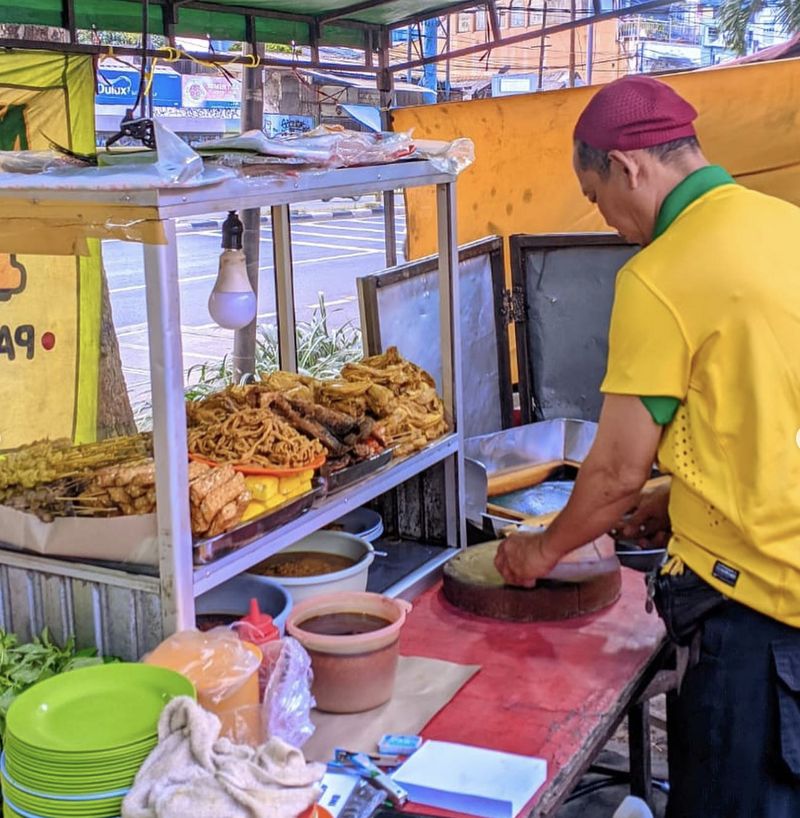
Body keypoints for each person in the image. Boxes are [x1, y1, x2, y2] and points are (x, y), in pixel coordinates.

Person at [494, 75, 800, 817]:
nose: (609, 222)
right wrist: (685, 496)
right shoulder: (783, 224)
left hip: (757, 620)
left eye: (597, 198)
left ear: (628, 167)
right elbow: (765, 411)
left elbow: (612, 476)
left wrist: (540, 550)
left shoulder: (661, 273)